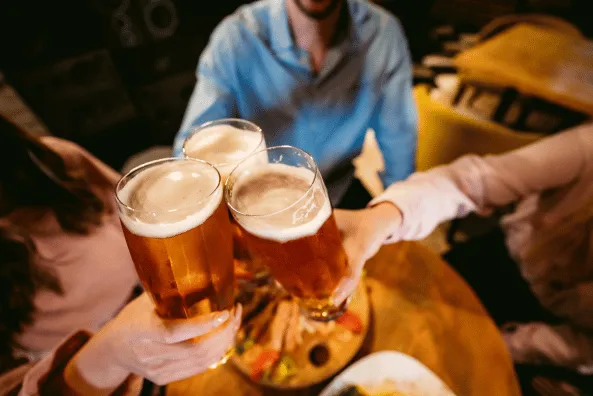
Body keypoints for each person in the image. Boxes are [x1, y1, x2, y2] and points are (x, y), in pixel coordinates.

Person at [334, 123, 593, 372]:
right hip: (493, 258)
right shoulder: (587, 148)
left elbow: (580, 348)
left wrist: (507, 346)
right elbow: (472, 181)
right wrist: (384, 216)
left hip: (539, 324)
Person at [173, 0, 418, 210]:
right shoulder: (236, 37)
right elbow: (190, 151)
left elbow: (399, 141)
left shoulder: (383, 34)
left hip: (336, 191)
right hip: (257, 199)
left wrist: (397, 211)